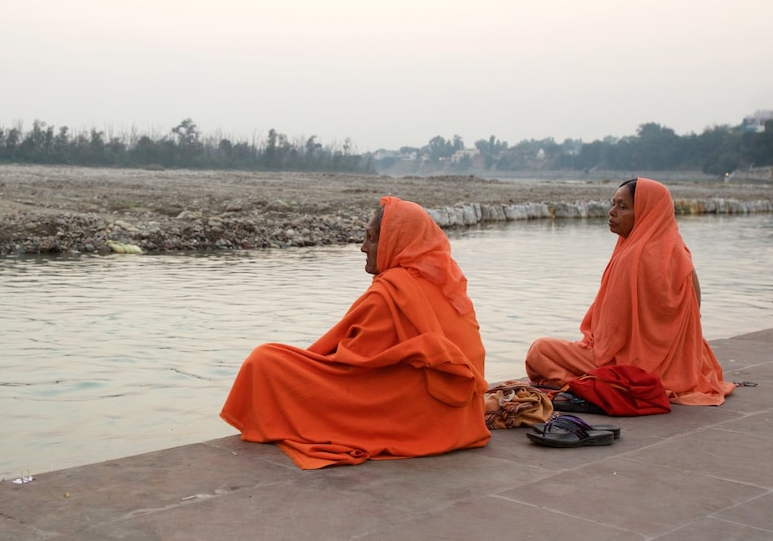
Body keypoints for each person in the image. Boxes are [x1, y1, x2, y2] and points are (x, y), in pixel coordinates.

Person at [220, 195, 491, 469]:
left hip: (422, 415)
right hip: (464, 417)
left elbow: (349, 358)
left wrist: (304, 367)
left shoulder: (391, 291)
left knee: (265, 361)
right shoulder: (449, 285)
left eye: (372, 238)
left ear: (395, 242)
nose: (363, 247)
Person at [525, 177, 735, 405]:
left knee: (539, 351)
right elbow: (696, 314)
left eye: (622, 207)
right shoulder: (679, 252)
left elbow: (610, 341)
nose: (612, 212)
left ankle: (596, 382)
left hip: (628, 365)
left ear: (646, 213)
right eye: (613, 204)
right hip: (682, 364)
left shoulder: (632, 259)